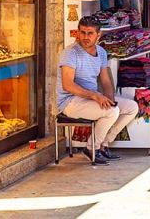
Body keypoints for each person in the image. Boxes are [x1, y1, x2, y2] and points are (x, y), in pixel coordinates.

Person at [57, 16, 139, 166]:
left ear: (98, 35)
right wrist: (95, 96)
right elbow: (67, 85)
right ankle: (91, 148)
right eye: (82, 33)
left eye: (90, 33)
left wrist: (110, 99)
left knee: (131, 107)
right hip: (70, 102)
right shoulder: (71, 53)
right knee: (111, 112)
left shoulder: (101, 52)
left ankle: (103, 145)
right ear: (77, 33)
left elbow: (106, 81)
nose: (85, 37)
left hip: (90, 98)